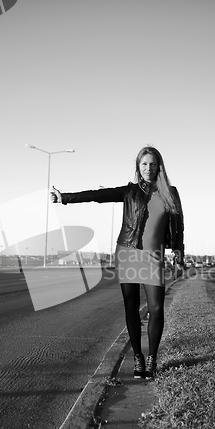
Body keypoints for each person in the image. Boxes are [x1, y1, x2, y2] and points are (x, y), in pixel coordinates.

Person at [50, 146, 184, 379]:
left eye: (152, 164)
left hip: (154, 257)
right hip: (128, 253)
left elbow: (178, 225)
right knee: (131, 308)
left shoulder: (170, 193)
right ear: (138, 167)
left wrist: (179, 252)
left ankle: (152, 358)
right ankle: (138, 358)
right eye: (144, 164)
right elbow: (97, 196)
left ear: (159, 166)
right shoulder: (130, 192)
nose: (148, 169)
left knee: (156, 309)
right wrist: (65, 198)